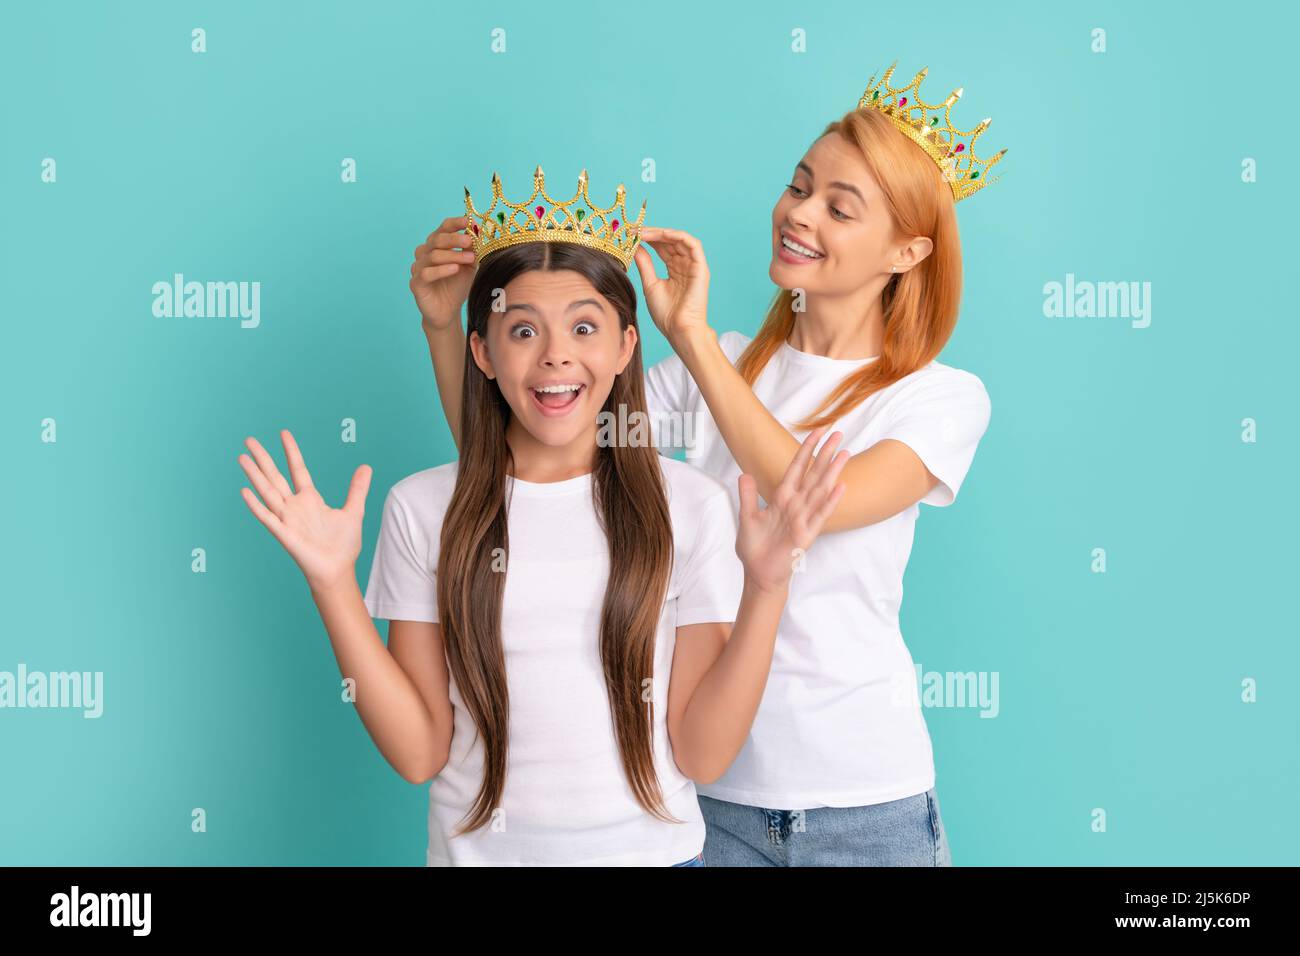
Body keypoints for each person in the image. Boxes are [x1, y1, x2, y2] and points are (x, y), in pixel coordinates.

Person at [238, 168, 847, 865]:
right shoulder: (423, 507)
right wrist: (333, 583)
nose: (556, 353)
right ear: (483, 354)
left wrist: (767, 588)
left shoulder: (691, 507)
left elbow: (703, 755)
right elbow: (418, 754)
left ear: (624, 349)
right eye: (522, 329)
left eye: (584, 326)